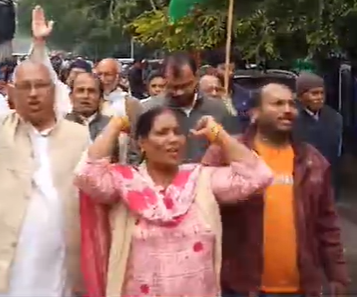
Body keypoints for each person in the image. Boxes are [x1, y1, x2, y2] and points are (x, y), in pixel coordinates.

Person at [0, 0, 89, 297]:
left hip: (54, 273)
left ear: (55, 91)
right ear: (12, 94)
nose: (34, 94)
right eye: (25, 87)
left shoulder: (77, 137)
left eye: (41, 86)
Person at [76, 110, 273, 297]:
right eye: (162, 133)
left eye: (177, 133)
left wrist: (218, 133)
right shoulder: (125, 183)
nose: (173, 139)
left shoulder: (201, 180)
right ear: (142, 143)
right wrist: (116, 125)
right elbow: (86, 175)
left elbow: (259, 176)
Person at [204, 83, 348, 297]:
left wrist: (337, 276)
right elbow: (203, 213)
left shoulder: (312, 161)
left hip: (300, 288)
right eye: (278, 104)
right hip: (241, 286)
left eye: (291, 104)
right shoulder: (227, 154)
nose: (288, 110)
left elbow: (327, 224)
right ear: (255, 113)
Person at [143, 52, 240, 162]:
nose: (179, 92)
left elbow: (234, 149)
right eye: (173, 87)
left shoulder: (219, 109)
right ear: (165, 80)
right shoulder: (149, 111)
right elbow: (136, 157)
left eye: (185, 85)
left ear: (196, 77)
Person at [292, 72, 343, 199]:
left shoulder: (334, 117)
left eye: (322, 93)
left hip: (327, 182)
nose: (319, 97)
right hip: (299, 184)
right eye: (314, 93)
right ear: (300, 96)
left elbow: (337, 152)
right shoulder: (290, 118)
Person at [95, 58, 143, 122]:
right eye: (99, 74)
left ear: (118, 76)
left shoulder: (131, 103)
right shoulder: (90, 99)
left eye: (108, 74)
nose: (102, 78)